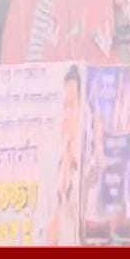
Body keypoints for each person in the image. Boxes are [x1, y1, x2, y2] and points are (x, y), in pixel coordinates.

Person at [48, 67, 82, 245]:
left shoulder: (92, 165)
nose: (66, 115)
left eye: (71, 106)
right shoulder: (53, 164)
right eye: (62, 106)